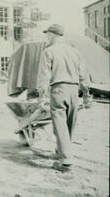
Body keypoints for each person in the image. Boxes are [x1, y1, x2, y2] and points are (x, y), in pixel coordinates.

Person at [38, 24, 90, 172]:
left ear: (51, 35)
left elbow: (44, 76)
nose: (46, 38)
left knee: (59, 123)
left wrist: (42, 96)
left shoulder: (48, 52)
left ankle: (66, 160)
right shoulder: (75, 52)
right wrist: (86, 95)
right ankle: (61, 150)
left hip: (59, 89)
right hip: (74, 90)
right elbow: (83, 75)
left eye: (47, 35)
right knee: (69, 123)